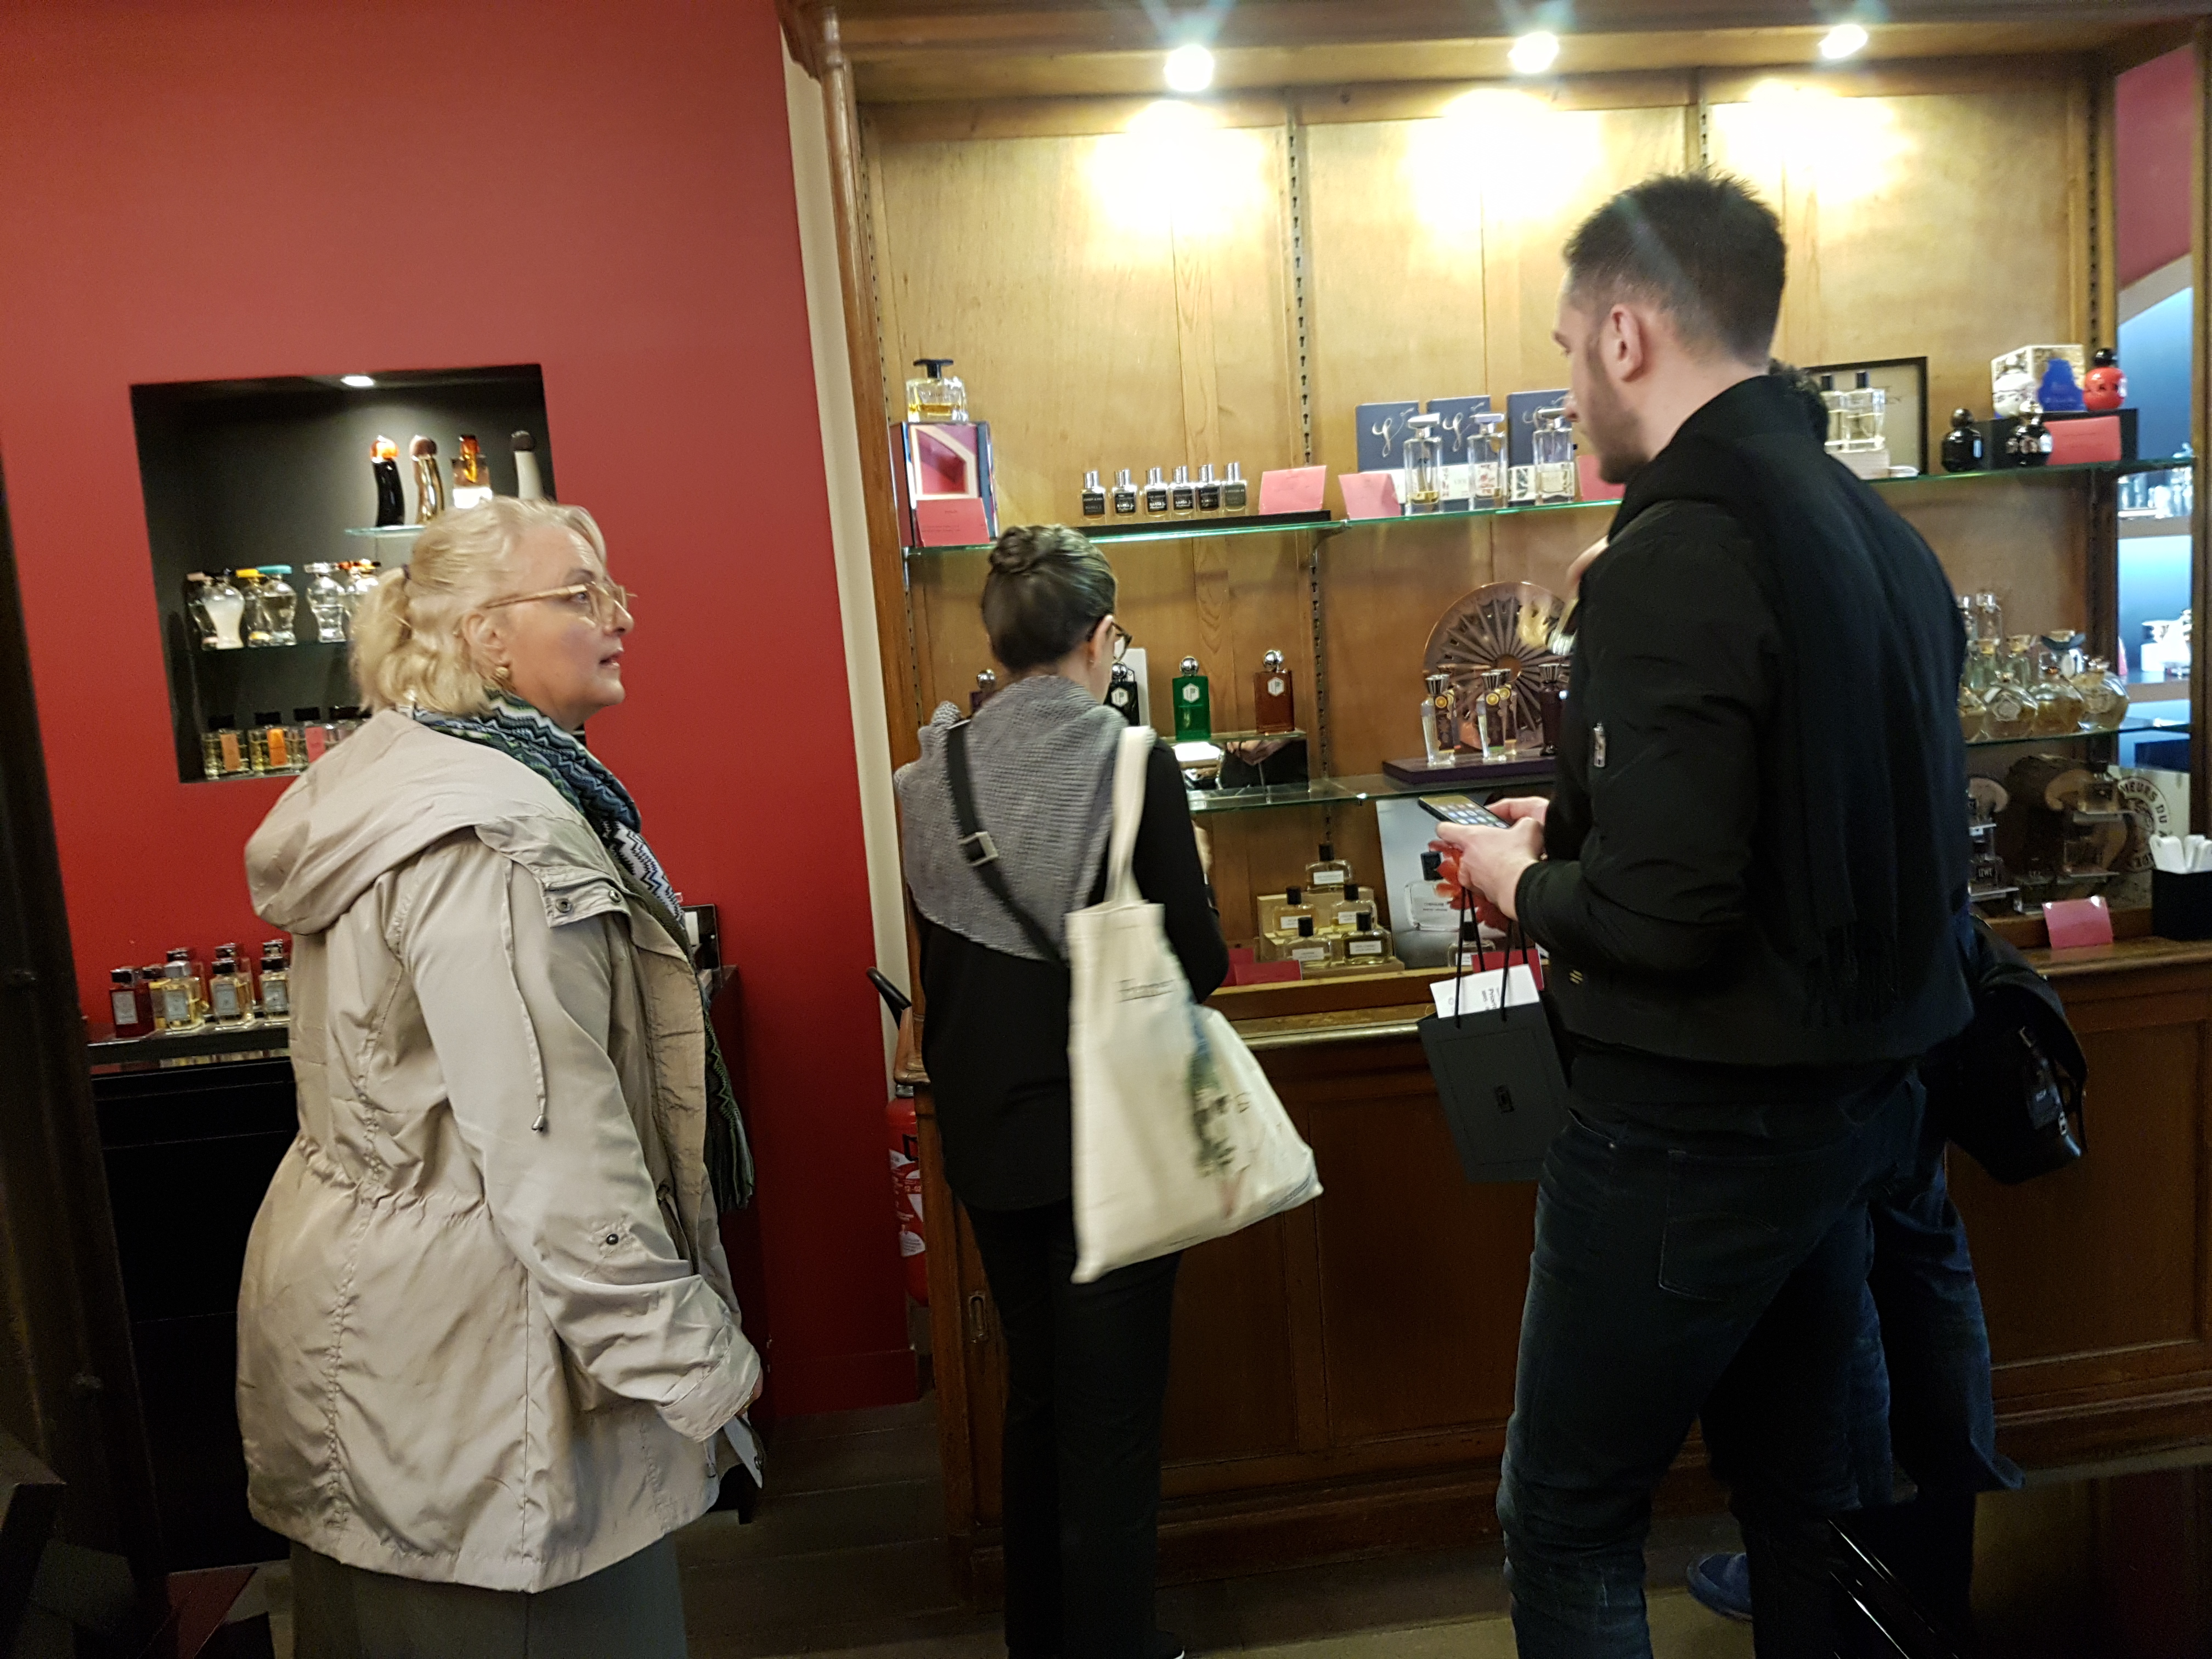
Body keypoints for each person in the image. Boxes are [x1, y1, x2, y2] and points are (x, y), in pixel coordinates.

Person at [1431, 173, 1972, 1656]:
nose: (1567, 388)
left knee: (1568, 1514)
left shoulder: (1675, 548)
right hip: (1851, 1114)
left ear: (1625, 335)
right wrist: (1582, 829)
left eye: (1565, 351)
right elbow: (1806, 817)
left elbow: (1668, 923)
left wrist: (1514, 878)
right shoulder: (1880, 534)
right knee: (1810, 1502)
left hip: (1688, 1127)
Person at [239, 498, 761, 1658]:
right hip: (477, 1364)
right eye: (581, 593)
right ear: (486, 637)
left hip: (393, 1331)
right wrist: (697, 1365)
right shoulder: (496, 835)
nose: (619, 617)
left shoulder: (415, 779)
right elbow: (552, 1149)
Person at [1682, 373, 2023, 1640]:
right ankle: (1930, 1538)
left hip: (1838, 1010)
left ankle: (1846, 1552)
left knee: (1849, 1281)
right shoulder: (1891, 550)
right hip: (1928, 975)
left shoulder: (1770, 563)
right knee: (1917, 1255)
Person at [895, 525, 1227, 1659]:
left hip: (989, 1138)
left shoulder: (929, 778)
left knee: (1036, 1394)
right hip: (1115, 1132)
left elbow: (945, 961)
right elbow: (1200, 962)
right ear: (1103, 638)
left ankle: (1039, 1640)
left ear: (995, 642)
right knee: (1113, 1420)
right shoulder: (1134, 763)